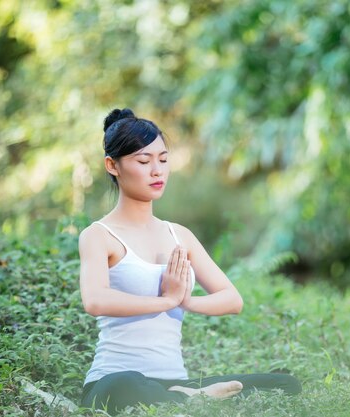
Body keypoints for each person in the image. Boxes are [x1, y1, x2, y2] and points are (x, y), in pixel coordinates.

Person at [78, 108, 301, 415]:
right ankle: (193, 399)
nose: (157, 170)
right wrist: (166, 300)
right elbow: (95, 300)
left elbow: (232, 300)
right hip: (114, 381)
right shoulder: (98, 235)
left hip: (174, 381)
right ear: (112, 166)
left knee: (285, 384)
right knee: (125, 386)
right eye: (144, 161)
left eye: (164, 159)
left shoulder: (179, 235)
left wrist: (185, 300)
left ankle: (188, 396)